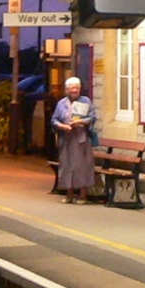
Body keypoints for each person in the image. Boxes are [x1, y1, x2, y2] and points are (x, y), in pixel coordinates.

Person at [51, 76, 98, 204]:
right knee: (67, 166)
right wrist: (62, 126)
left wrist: (81, 121)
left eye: (77, 88)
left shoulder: (86, 101)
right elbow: (54, 119)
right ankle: (69, 194)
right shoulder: (61, 103)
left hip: (81, 139)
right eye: (72, 88)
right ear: (67, 90)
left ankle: (82, 195)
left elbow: (93, 117)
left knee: (82, 166)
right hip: (66, 139)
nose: (74, 90)